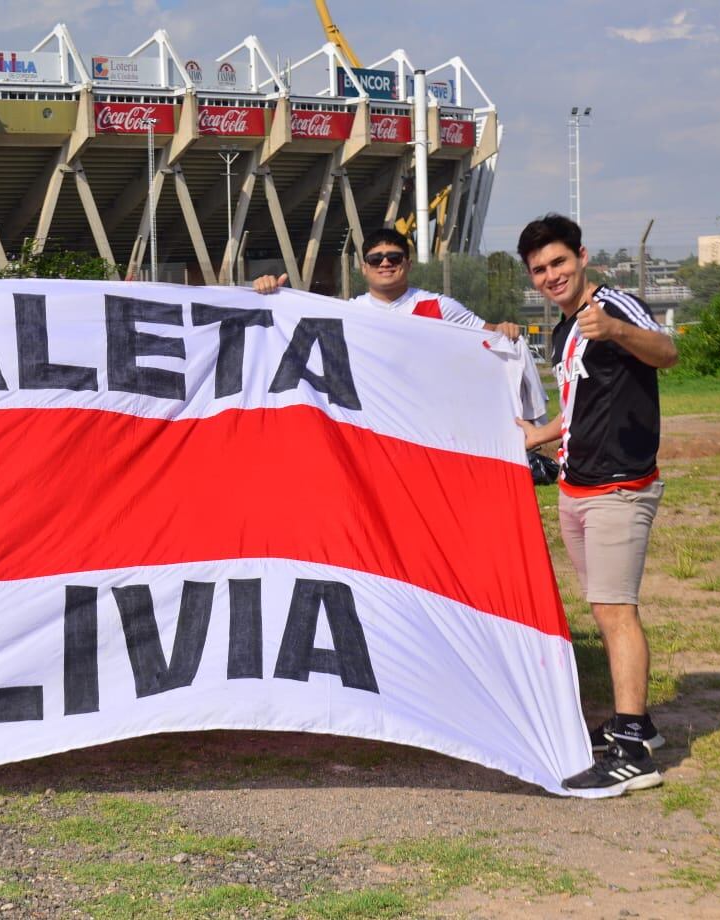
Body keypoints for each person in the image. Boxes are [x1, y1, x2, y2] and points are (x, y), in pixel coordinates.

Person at [515, 214, 677, 796]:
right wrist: (538, 435)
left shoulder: (613, 306)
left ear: (581, 256)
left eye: (559, 262)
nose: (551, 275)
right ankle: (640, 724)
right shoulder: (564, 330)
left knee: (616, 610)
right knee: (604, 609)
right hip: (576, 485)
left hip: (619, 486)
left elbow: (666, 353)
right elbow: (580, 404)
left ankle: (633, 751)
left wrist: (613, 329)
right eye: (540, 270)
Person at [253, 227, 524, 340]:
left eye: (394, 257)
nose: (385, 264)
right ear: (364, 267)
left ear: (408, 263)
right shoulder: (350, 312)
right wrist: (269, 295)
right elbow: (290, 326)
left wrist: (504, 329)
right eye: (376, 259)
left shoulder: (439, 306)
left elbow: (489, 333)